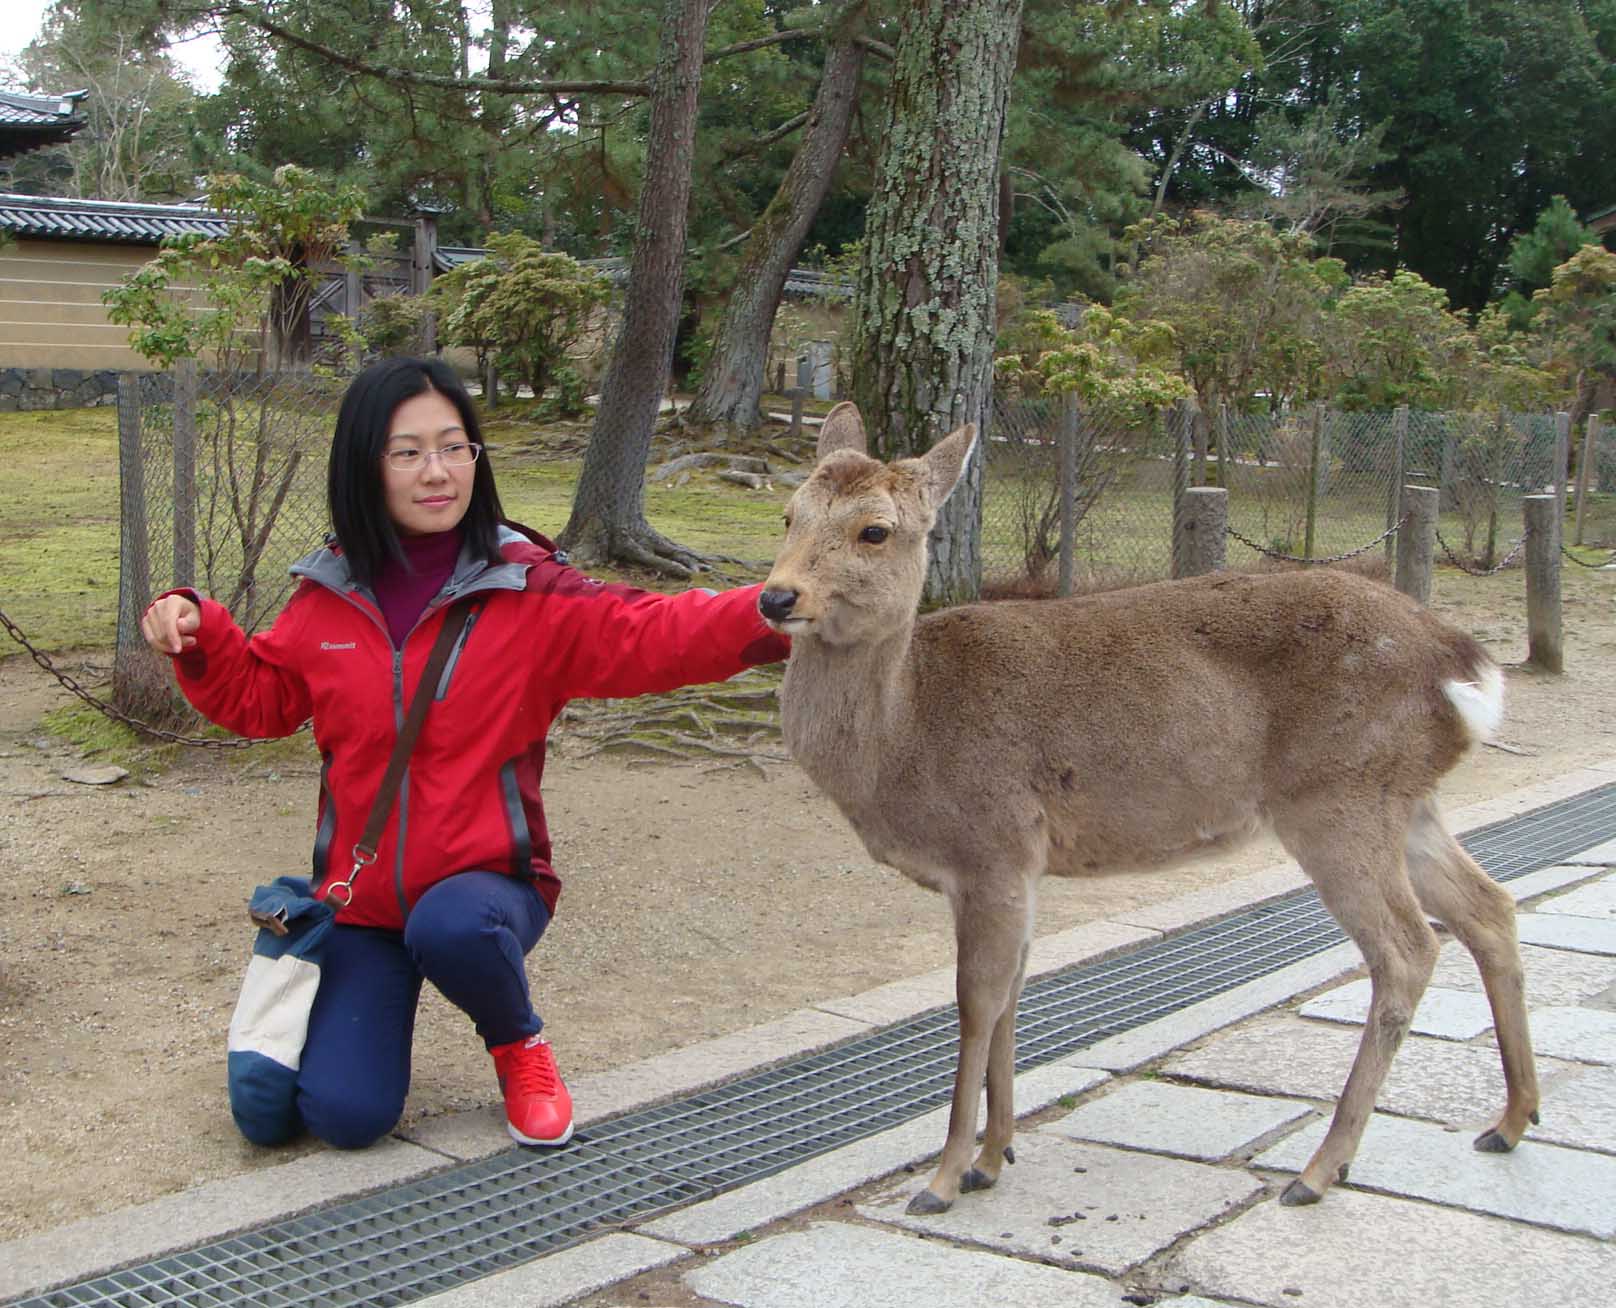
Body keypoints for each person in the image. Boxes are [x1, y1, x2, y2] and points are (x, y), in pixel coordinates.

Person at [141, 356, 789, 1152]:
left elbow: (651, 631)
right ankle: (359, 996)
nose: (438, 472)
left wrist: (776, 615)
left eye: (456, 447)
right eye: (407, 452)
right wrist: (198, 628)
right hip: (366, 905)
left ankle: (520, 1048)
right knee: (342, 1118)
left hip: (486, 892)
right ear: (365, 466)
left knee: (450, 925)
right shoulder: (328, 594)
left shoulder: (530, 589)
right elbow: (263, 697)